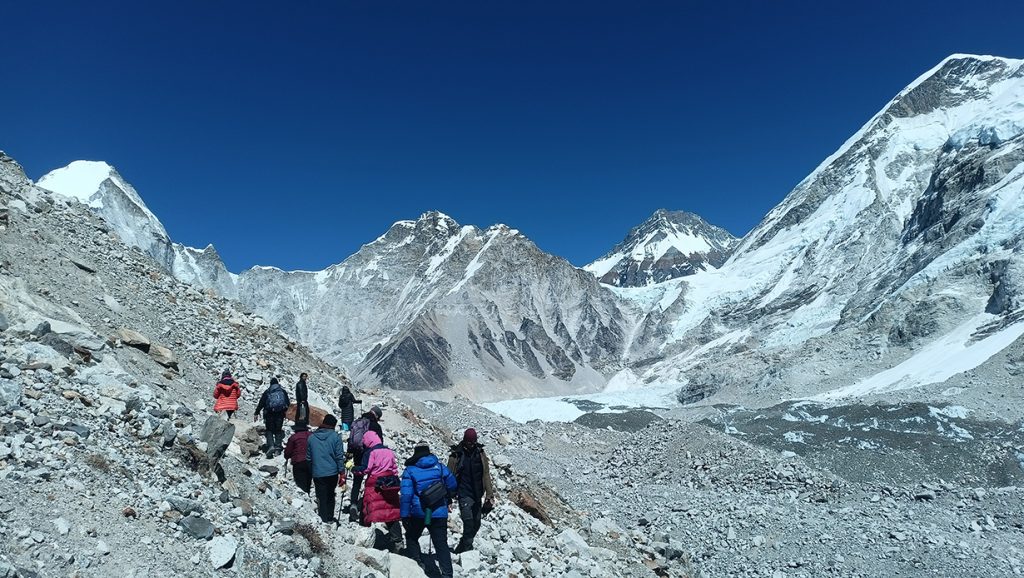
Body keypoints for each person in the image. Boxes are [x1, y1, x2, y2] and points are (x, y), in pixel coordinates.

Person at [401, 441, 458, 578]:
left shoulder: (410, 470)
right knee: (441, 544)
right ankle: (447, 574)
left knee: (412, 537)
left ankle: (417, 564)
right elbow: (453, 485)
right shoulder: (440, 467)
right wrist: (446, 497)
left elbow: (406, 495)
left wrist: (404, 515)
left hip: (418, 512)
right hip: (439, 511)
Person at [448, 428, 495, 553]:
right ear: (464, 440)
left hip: (477, 494)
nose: (472, 445)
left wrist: (489, 494)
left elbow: (486, 474)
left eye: (473, 442)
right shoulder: (456, 455)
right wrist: (448, 496)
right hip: (464, 493)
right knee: (468, 522)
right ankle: (467, 550)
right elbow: (449, 475)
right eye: (469, 442)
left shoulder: (480, 453)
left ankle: (463, 545)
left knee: (476, 523)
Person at [356, 430, 402, 552]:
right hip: (389, 484)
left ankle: (364, 537)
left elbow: (366, 469)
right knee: (391, 513)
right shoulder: (389, 451)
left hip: (374, 485)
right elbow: (395, 469)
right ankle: (397, 540)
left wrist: (354, 468)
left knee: (367, 510)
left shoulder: (371, 452)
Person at [305, 414, 346, 523]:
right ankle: (329, 517)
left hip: (318, 472)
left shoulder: (312, 438)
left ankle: (322, 519)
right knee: (330, 495)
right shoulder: (336, 437)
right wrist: (342, 473)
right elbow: (339, 457)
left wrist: (312, 471)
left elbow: (308, 458)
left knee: (321, 496)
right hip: (332, 472)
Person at [347, 405, 384, 519]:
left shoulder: (359, 422)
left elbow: (352, 439)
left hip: (358, 454)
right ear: (377, 416)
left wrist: (349, 454)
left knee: (357, 480)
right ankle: (367, 506)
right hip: (371, 455)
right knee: (371, 481)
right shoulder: (375, 426)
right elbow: (379, 443)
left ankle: (353, 503)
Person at [254, 377, 290, 458]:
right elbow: (287, 403)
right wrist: (285, 412)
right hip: (280, 414)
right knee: (278, 430)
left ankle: (271, 446)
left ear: (270, 384)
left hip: (269, 414)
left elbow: (261, 403)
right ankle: (278, 448)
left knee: (269, 430)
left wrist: (257, 412)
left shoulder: (268, 392)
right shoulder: (282, 391)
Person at [283, 423, 313, 494]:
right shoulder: (312, 436)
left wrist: (286, 457)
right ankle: (307, 493)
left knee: (300, 482)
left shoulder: (293, 437)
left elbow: (288, 451)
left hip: (299, 462)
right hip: (311, 461)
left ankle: (303, 495)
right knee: (308, 479)